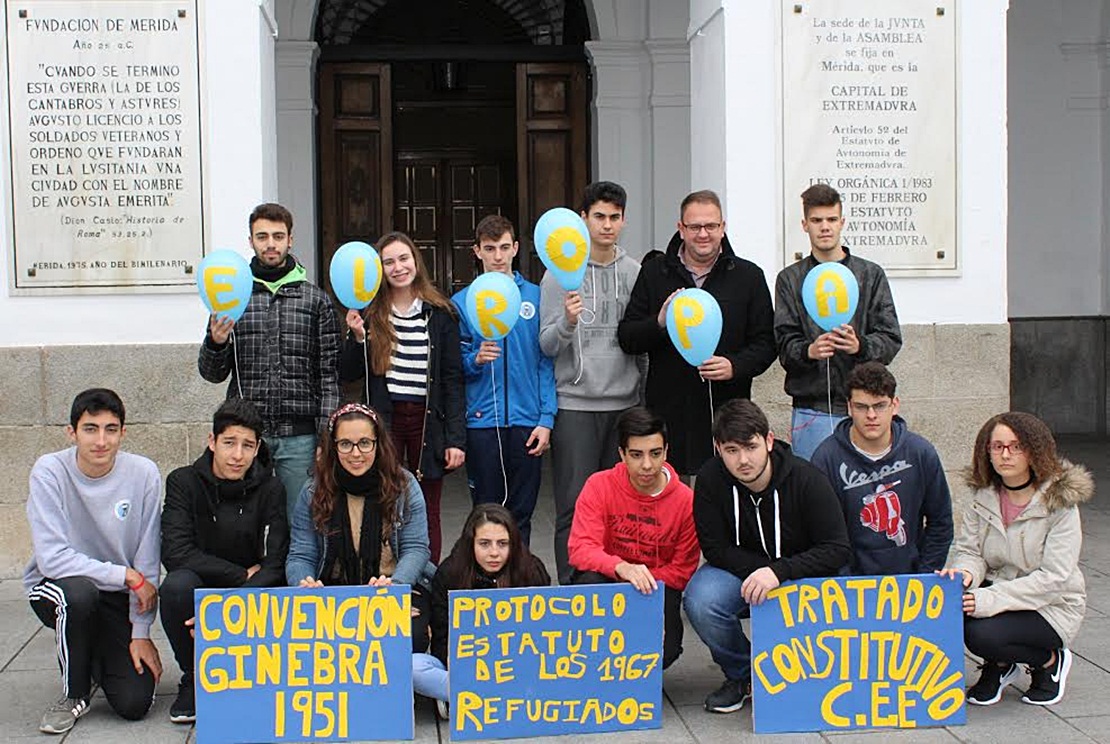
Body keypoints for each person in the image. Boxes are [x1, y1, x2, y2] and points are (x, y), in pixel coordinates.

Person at [683, 399, 850, 713]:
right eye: (732, 450)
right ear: (718, 448)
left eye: (751, 447)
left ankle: (818, 673)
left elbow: (837, 548)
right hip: (745, 572)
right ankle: (745, 675)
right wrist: (763, 571)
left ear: (769, 441)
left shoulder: (806, 479)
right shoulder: (710, 480)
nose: (743, 460)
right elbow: (715, 548)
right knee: (702, 599)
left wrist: (779, 572)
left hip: (804, 574)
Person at [24, 389, 162, 733]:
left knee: (134, 703)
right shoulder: (49, 471)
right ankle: (74, 695)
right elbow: (53, 560)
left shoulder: (143, 473)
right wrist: (126, 575)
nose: (101, 440)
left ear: (123, 433)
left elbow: (147, 559)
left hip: (115, 593)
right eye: (90, 428)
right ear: (72, 433)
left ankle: (96, 657)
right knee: (79, 596)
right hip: (57, 588)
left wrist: (141, 633)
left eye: (110, 429)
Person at [618, 189, 776, 476]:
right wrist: (660, 322)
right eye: (694, 227)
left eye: (711, 226)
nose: (703, 234)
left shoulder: (748, 277)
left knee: (723, 499)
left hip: (728, 409)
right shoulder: (655, 273)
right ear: (681, 229)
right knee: (669, 500)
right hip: (668, 410)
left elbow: (767, 343)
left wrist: (735, 365)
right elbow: (628, 337)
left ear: (723, 227)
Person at [939, 412, 1091, 707]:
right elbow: (970, 551)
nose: (1005, 455)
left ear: (1034, 450)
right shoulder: (982, 497)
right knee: (955, 615)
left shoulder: (1059, 503)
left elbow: (1054, 578)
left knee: (982, 634)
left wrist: (987, 599)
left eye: (1015, 446)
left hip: (1052, 605)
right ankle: (1000, 665)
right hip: (1000, 591)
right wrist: (964, 575)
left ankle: (1048, 661)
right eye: (997, 447)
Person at [198, 202, 341, 513]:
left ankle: (294, 565)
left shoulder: (315, 300)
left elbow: (328, 376)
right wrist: (216, 341)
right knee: (242, 516)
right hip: (247, 434)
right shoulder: (233, 295)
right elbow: (211, 373)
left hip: (299, 437)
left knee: (299, 518)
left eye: (278, 236)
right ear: (251, 241)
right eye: (262, 237)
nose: (271, 244)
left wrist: (324, 437)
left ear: (290, 240)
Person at [159, 398, 289, 723]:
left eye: (247, 445)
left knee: (283, 583)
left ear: (258, 448)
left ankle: (254, 673)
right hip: (208, 581)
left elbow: (275, 560)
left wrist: (231, 605)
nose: (237, 455)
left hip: (253, 590)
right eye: (229, 443)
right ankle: (194, 676)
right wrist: (238, 576)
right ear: (212, 441)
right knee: (175, 586)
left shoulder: (271, 487)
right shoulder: (183, 482)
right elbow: (175, 552)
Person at [340, 231, 466, 562]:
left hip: (428, 421)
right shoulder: (370, 313)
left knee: (427, 506)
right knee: (384, 499)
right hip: (386, 418)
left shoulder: (441, 312)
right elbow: (349, 372)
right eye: (389, 262)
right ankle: (387, 573)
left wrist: (456, 439)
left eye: (404, 258)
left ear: (416, 261)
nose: (398, 268)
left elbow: (453, 379)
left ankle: (426, 578)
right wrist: (356, 338)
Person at [539, 181, 643, 584]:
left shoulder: (634, 273)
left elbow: (642, 342)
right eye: (599, 216)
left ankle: (617, 587)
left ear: (624, 221)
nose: (607, 225)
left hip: (624, 404)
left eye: (615, 217)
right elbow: (546, 346)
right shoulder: (557, 277)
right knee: (573, 505)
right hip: (575, 405)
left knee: (621, 508)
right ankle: (573, 590)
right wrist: (566, 322)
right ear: (583, 219)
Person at [285, 402, 434, 651]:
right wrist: (304, 584)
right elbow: (301, 554)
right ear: (334, 447)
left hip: (391, 584)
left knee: (412, 637)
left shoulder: (404, 485)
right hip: (333, 591)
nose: (356, 453)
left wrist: (396, 589)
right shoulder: (313, 490)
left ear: (378, 444)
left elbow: (416, 549)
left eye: (365, 443)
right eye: (345, 444)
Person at [774, 183, 902, 459]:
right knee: (813, 493)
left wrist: (861, 346)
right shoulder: (790, 279)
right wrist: (809, 351)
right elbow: (783, 344)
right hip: (812, 407)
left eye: (831, 219)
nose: (825, 227)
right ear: (804, 224)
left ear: (842, 222)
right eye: (817, 220)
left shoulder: (869, 274)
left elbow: (891, 338)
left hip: (862, 406)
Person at [567, 407, 699, 669]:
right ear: (621, 454)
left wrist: (644, 580)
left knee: (668, 649)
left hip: (658, 586)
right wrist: (622, 568)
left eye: (655, 453)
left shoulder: (686, 500)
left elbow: (682, 571)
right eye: (636, 455)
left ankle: (637, 674)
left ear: (666, 451)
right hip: (609, 579)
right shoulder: (599, 485)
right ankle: (596, 668)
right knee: (587, 580)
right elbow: (580, 549)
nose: (647, 465)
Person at [453, 214, 556, 545]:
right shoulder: (462, 303)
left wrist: (546, 418)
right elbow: (453, 368)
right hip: (483, 423)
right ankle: (487, 586)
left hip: (528, 421)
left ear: (516, 248)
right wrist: (476, 360)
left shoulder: (537, 298)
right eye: (489, 248)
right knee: (485, 513)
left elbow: (546, 361)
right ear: (476, 252)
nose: (497, 256)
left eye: (503, 247)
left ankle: (520, 587)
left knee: (522, 512)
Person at [810, 362, 952, 575]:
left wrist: (924, 575)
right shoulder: (826, 458)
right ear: (849, 407)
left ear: (894, 405)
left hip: (911, 578)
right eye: (861, 407)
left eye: (879, 405)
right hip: (849, 584)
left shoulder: (921, 453)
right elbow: (822, 533)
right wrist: (845, 583)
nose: (871, 416)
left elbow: (940, 523)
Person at [413, 504, 550, 718]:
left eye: (503, 544)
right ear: (471, 543)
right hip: (464, 669)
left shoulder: (531, 571)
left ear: (513, 544)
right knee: (412, 667)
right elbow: (441, 638)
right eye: (484, 544)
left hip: (519, 667)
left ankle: (470, 699)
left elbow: (546, 634)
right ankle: (490, 697)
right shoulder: (450, 573)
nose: (494, 553)